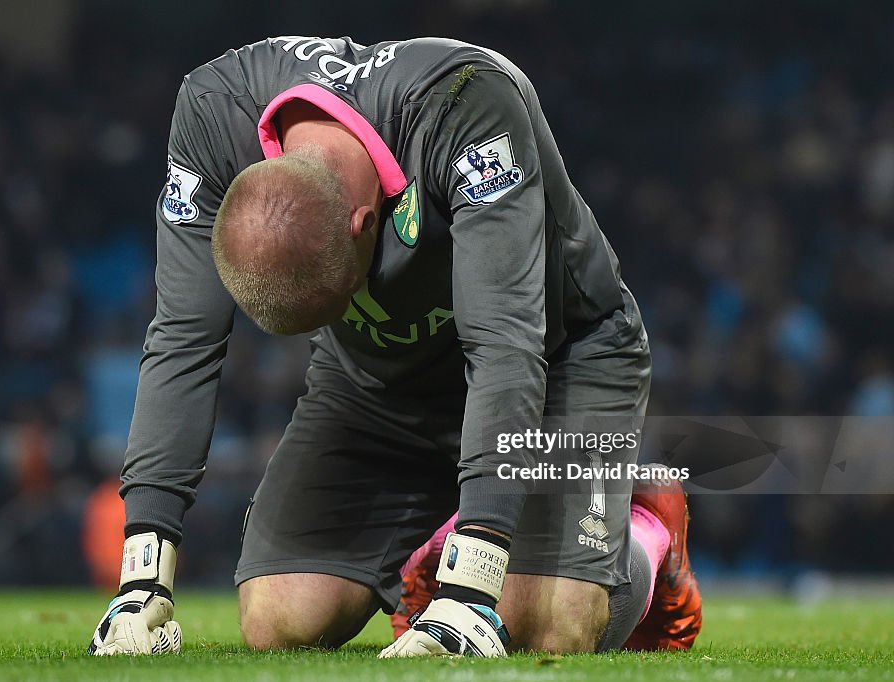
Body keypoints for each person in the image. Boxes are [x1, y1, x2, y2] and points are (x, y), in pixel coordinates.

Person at [87, 35, 701, 657]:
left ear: (364, 222)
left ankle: (642, 534)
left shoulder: (465, 103)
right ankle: (443, 541)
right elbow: (183, 339)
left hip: (561, 358)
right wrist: (142, 579)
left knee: (547, 628)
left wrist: (471, 592)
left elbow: (507, 342)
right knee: (278, 621)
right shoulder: (212, 112)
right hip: (373, 382)